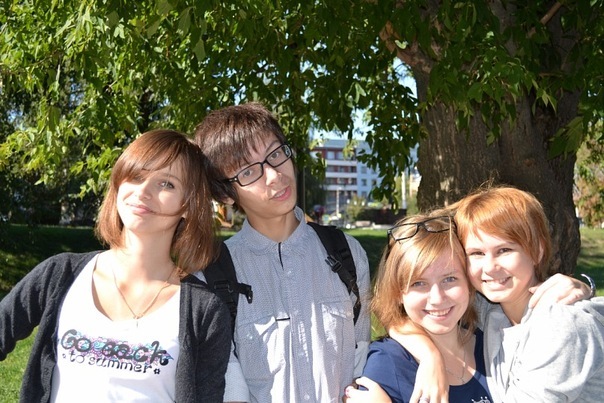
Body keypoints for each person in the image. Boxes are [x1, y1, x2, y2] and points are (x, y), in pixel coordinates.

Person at [0, 129, 231, 402]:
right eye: (136, 176)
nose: (143, 192)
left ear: (188, 206)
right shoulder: (59, 274)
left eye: (166, 184)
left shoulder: (204, 311)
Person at [347, 186, 603, 403]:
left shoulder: (560, 325)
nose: (490, 268)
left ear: (537, 250)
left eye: (504, 250)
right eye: (477, 253)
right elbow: (404, 311)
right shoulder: (491, 311)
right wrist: (430, 355)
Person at [193, 102, 371, 403]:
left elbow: (363, 359)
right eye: (249, 172)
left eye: (275, 154)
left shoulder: (347, 254)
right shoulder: (212, 277)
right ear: (225, 194)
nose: (275, 176)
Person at [358, 213, 492, 403]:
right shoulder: (388, 363)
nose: (437, 298)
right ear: (398, 293)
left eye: (450, 279)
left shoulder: (490, 346)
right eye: (419, 283)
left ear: (469, 283)